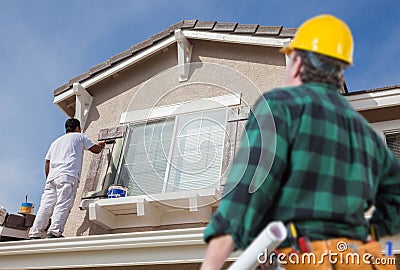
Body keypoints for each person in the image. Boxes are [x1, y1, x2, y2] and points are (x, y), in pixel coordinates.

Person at [201, 14, 400, 269]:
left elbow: (247, 193)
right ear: (339, 72)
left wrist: (212, 263)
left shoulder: (280, 106)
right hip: (359, 258)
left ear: (296, 64)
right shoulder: (367, 134)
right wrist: (369, 233)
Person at [29, 118, 105, 239]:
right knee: (63, 203)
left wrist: (49, 178)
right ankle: (54, 232)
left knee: (46, 205)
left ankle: (35, 233)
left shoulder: (55, 142)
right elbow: (95, 150)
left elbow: (47, 162)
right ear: (77, 128)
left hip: (52, 177)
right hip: (67, 175)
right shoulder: (79, 136)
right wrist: (101, 145)